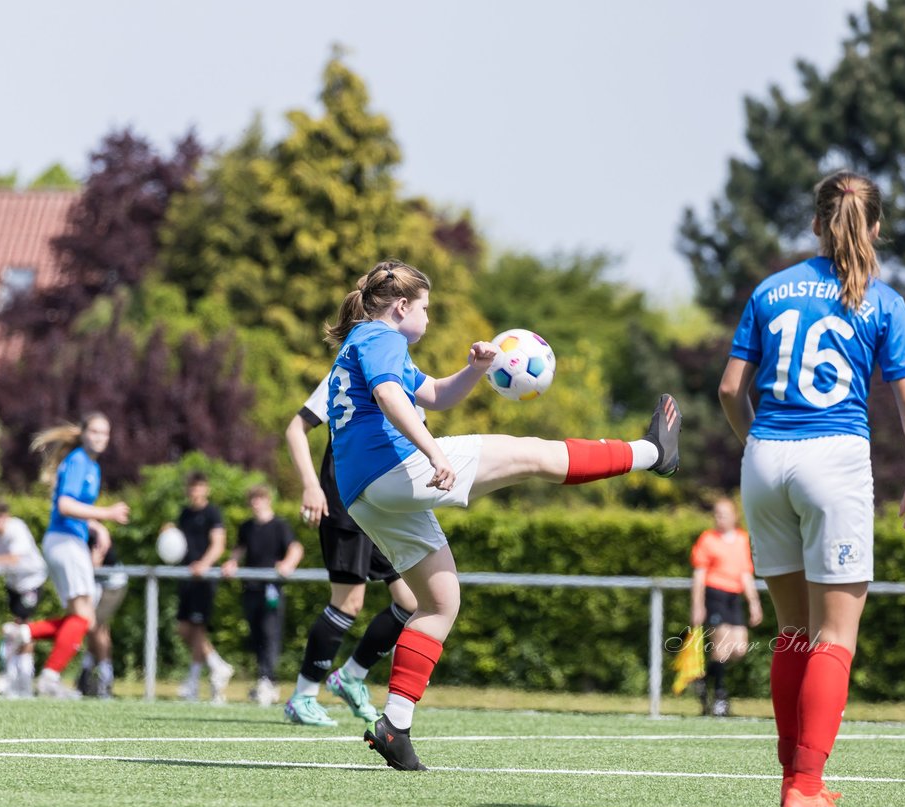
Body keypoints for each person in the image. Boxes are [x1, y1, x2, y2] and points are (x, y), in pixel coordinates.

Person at [322, 259, 681, 771]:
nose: (429, 316)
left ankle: (393, 726)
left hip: (363, 491)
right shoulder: (382, 337)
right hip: (395, 467)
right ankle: (650, 453)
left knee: (441, 601)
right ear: (401, 307)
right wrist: (434, 453)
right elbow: (388, 397)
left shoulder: (365, 342)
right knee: (531, 454)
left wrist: (475, 368)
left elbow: (436, 396)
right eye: (426, 307)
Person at [718, 171, 905, 807]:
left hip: (765, 457)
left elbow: (731, 390)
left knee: (793, 633)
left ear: (816, 222)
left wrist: (755, 441)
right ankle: (805, 788)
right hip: (832, 458)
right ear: (874, 228)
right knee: (835, 638)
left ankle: (797, 780)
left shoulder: (771, 288)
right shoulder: (882, 300)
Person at [281, 377, 420, 727]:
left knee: (411, 601)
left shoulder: (408, 377)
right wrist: (312, 486)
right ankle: (303, 696)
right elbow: (296, 428)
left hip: (385, 507)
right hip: (345, 501)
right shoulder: (347, 371)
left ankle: (351, 676)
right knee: (348, 602)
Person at [11, 412, 131, 699]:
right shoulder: (79, 461)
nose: (100, 438)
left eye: (105, 433)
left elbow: (68, 506)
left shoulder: (89, 465)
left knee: (80, 619)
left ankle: (24, 634)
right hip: (66, 543)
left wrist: (96, 526)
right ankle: (50, 676)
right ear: (84, 432)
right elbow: (65, 505)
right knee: (85, 619)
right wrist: (107, 513)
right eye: (95, 432)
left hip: (65, 542)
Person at [220, 484, 304, 707]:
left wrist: (287, 564)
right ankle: (263, 680)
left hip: (271, 590)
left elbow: (296, 548)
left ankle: (269, 680)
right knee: (256, 636)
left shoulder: (280, 526)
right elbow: (239, 550)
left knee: (270, 634)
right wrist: (231, 563)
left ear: (268, 500)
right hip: (251, 589)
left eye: (260, 499)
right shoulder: (247, 527)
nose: (256, 503)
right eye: (253, 499)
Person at [689, 496, 762, 716]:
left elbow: (745, 573)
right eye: (717, 514)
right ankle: (720, 696)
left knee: (739, 648)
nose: (719, 518)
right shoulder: (708, 540)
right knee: (720, 647)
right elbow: (699, 576)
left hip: (734, 597)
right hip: (715, 594)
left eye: (724, 514)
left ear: (735, 516)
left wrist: (754, 603)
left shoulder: (742, 539)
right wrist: (697, 605)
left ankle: (702, 678)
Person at [167, 471, 234, 704]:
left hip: (203, 579)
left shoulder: (212, 513)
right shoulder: (184, 514)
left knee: (197, 628)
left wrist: (204, 565)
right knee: (184, 630)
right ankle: (218, 665)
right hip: (186, 577)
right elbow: (176, 544)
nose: (195, 491)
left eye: (199, 486)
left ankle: (193, 682)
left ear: (206, 489)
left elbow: (219, 544)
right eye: (192, 486)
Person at [0, 500, 48, 698]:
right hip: (13, 584)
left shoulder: (17, 529)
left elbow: (14, 558)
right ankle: (15, 676)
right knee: (18, 627)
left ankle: (23, 678)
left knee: (23, 627)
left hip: (32, 581)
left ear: (7, 517)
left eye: (0, 518)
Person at [76, 519, 128, 699]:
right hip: (95, 583)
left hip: (112, 583)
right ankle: (89, 671)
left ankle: (103, 675)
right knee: (94, 628)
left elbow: (95, 565)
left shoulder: (91, 533)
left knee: (96, 626)